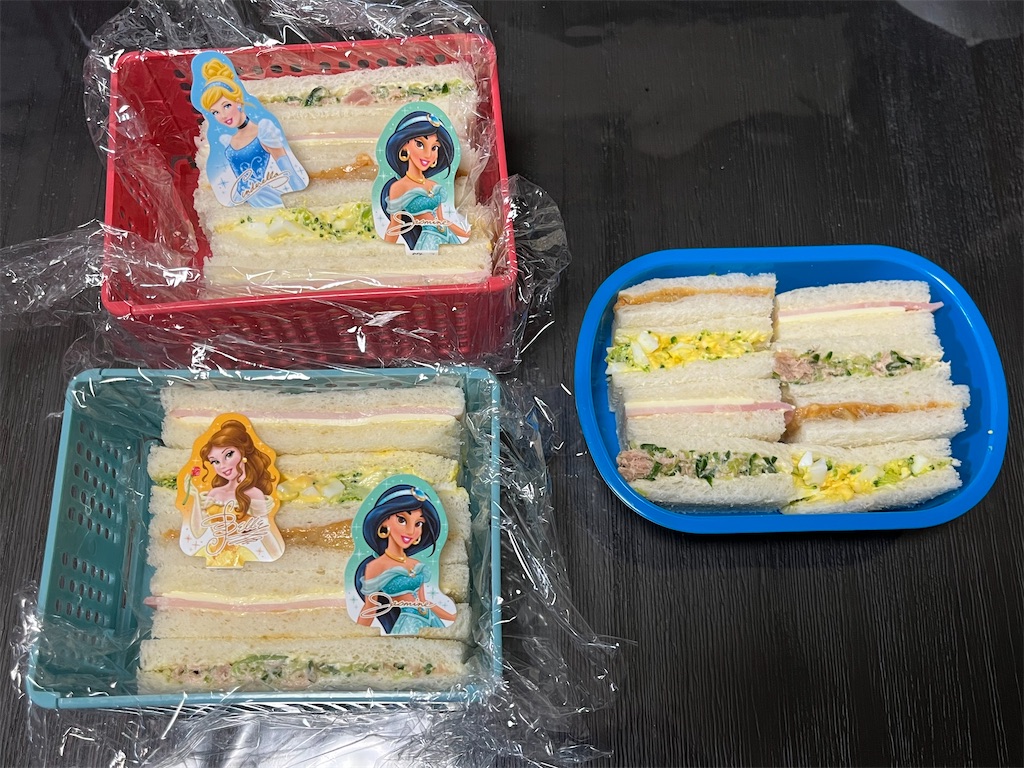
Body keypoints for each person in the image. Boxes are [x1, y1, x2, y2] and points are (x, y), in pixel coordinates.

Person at [198, 58, 303, 207]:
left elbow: (288, 169)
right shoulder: (227, 140)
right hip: (240, 199)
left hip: (264, 198)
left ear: (238, 101)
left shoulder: (264, 132)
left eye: (226, 105)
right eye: (215, 112)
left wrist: (300, 200)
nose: (223, 115)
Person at [354, 484, 456, 634]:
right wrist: (357, 634)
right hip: (408, 623)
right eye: (402, 520)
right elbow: (371, 607)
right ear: (383, 521)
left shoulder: (417, 564)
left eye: (418, 523)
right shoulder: (375, 566)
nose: (410, 531)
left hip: (431, 620)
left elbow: (423, 602)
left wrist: (452, 617)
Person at [180, 419, 284, 562]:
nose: (222, 466)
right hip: (212, 555)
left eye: (228, 455)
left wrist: (277, 557)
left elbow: (267, 538)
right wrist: (195, 497)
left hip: (242, 556)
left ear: (243, 453)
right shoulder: (214, 493)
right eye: (215, 461)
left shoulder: (255, 494)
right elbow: (197, 532)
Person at [380, 110, 470, 251]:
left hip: (448, 236)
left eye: (434, 147)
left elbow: (441, 220)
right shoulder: (398, 187)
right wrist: (385, 251)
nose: (428, 154)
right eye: (420, 144)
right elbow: (395, 225)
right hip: (429, 240)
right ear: (403, 145)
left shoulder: (435, 185)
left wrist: (464, 233)